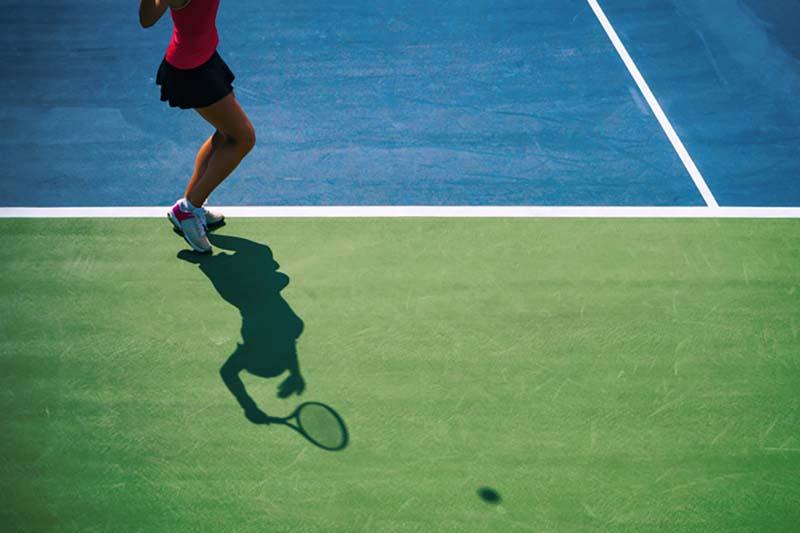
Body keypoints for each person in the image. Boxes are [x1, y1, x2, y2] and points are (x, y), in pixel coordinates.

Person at [139, 0, 256, 253]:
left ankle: (192, 206)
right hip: (193, 71)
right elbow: (147, 19)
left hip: (206, 59)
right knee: (243, 138)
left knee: (227, 135)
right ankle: (188, 209)